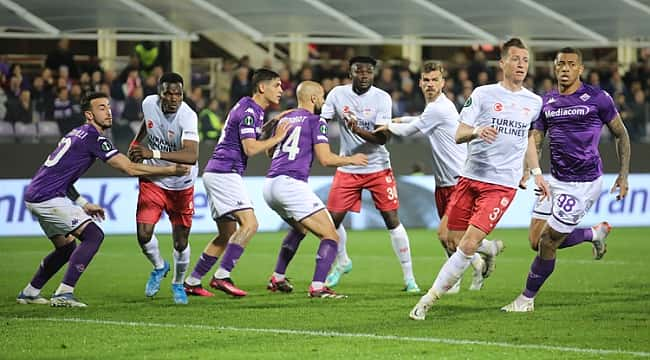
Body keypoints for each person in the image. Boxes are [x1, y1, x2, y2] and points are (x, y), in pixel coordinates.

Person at [409, 38, 549, 320]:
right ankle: (491, 249)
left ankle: (428, 300)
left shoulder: (534, 102)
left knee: (468, 244)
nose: (521, 65)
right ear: (502, 63)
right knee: (449, 237)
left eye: (525, 60)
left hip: (501, 185)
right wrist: (477, 131)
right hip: (470, 178)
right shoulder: (484, 95)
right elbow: (459, 134)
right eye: (515, 59)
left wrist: (535, 173)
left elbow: (528, 141)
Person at [16, 92, 188, 307]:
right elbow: (129, 167)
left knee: (66, 248)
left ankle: (30, 292)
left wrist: (83, 204)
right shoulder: (93, 137)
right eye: (101, 108)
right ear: (89, 115)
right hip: (47, 198)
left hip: (37, 195)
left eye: (108, 106)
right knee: (93, 235)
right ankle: (64, 293)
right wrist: (171, 169)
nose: (108, 112)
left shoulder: (76, 133)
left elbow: (64, 178)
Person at [501, 47, 630, 312]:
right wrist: (529, 170)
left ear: (580, 69)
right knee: (535, 241)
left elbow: (621, 134)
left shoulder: (598, 98)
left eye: (571, 64)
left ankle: (525, 300)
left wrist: (623, 174)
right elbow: (535, 139)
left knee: (549, 241)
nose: (565, 68)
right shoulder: (545, 102)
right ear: (555, 68)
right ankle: (594, 233)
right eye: (560, 64)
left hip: (583, 184)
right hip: (554, 180)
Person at [377, 61, 500, 293]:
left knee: (446, 235)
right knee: (450, 238)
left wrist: (385, 125)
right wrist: (397, 120)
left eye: (435, 80)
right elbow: (417, 120)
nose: (430, 84)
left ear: (443, 83)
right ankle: (485, 251)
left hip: (457, 180)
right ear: (420, 82)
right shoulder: (433, 108)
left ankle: (459, 275)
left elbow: (408, 131)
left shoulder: (439, 107)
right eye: (426, 80)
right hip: (442, 183)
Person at [182, 69, 288, 297]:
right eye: (277, 85)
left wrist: (273, 123)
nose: (281, 90)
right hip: (225, 172)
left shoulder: (249, 107)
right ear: (262, 87)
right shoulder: (250, 111)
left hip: (217, 172)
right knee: (250, 225)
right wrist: (277, 137)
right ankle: (222, 276)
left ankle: (192, 281)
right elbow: (250, 148)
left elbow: (250, 136)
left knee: (226, 234)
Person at [320, 56, 419, 293]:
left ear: (373, 74)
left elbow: (383, 137)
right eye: (359, 71)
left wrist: (358, 130)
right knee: (330, 222)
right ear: (350, 72)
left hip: (377, 167)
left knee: (391, 219)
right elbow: (322, 121)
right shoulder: (336, 94)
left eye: (368, 72)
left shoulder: (382, 98)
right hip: (348, 167)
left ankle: (409, 278)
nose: (364, 75)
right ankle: (342, 261)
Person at [263, 81, 367, 297]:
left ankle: (277, 277)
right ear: (313, 98)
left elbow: (269, 152)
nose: (323, 101)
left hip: (270, 185)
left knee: (300, 229)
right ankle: (318, 287)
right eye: (321, 97)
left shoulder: (285, 117)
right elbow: (326, 159)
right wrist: (352, 159)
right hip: (291, 185)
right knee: (331, 236)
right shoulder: (316, 121)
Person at [128, 73, 199, 305]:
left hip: (181, 184)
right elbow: (148, 123)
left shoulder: (187, 117)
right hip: (155, 179)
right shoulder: (148, 103)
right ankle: (159, 267)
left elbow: (191, 155)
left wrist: (152, 153)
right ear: (160, 93)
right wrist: (137, 142)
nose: (173, 98)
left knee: (180, 242)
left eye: (178, 93)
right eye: (168, 92)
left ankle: (178, 283)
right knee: (143, 234)